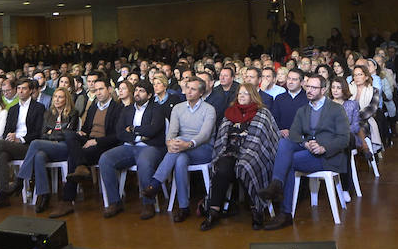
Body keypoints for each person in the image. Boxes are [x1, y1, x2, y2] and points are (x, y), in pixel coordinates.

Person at [257, 73, 349, 229]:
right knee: (286, 143)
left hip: (328, 156)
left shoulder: (336, 109)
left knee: (289, 162)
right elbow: (294, 133)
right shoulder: (303, 110)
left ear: (323, 89)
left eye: (314, 88)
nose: (310, 91)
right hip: (308, 150)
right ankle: (277, 185)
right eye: (308, 87)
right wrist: (305, 143)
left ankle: (285, 211)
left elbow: (344, 139)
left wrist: (323, 147)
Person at [199, 83, 280, 230]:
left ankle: (257, 209)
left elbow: (265, 139)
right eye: (240, 93)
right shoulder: (230, 112)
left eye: (246, 94)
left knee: (245, 166)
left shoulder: (262, 113)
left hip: (253, 152)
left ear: (253, 96)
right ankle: (214, 211)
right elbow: (222, 137)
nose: (241, 96)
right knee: (222, 168)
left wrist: (247, 152)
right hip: (230, 151)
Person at [140, 77, 216, 221]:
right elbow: (172, 131)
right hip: (181, 148)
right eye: (187, 88)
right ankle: (183, 207)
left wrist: (188, 144)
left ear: (201, 93)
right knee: (180, 160)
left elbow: (205, 135)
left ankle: (155, 183)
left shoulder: (209, 109)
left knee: (178, 148)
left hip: (203, 148)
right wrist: (169, 142)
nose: (188, 91)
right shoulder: (178, 108)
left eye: (193, 89)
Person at [46, 76, 123, 218]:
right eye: (95, 89)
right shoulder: (93, 107)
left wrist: (97, 142)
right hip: (88, 141)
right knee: (69, 134)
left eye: (101, 89)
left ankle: (67, 201)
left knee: (72, 157)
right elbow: (87, 128)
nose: (98, 92)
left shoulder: (117, 108)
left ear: (110, 90)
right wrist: (83, 133)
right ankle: (81, 167)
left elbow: (118, 136)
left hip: (105, 145)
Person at [96, 82, 168, 218]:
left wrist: (134, 129)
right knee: (105, 159)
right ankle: (114, 202)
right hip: (130, 146)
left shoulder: (157, 108)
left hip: (151, 147)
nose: (137, 93)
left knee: (144, 162)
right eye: (136, 90)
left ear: (150, 95)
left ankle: (148, 204)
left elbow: (153, 129)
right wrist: (138, 137)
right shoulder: (127, 109)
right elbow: (120, 132)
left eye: (141, 91)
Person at [0, 78, 47, 210]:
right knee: (2, 154)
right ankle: (2, 196)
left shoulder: (39, 108)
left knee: (0, 144)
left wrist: (20, 139)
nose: (20, 91)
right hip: (13, 144)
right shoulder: (13, 109)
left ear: (31, 91)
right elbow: (7, 129)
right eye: (18, 88)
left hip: (29, 146)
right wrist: (10, 135)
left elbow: (38, 132)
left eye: (24, 88)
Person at [4, 87, 77, 207]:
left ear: (66, 99)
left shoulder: (73, 113)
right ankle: (44, 195)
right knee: (38, 156)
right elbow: (42, 134)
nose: (57, 100)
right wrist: (52, 135)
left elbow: (68, 134)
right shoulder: (48, 114)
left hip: (64, 147)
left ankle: (20, 180)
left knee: (35, 143)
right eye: (55, 97)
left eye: (60, 97)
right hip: (49, 146)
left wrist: (51, 134)